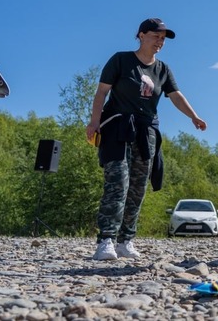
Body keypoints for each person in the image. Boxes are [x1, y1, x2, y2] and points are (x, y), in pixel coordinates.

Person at [86, 18, 207, 260]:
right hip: (118, 127)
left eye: (163, 38)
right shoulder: (120, 60)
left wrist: (194, 116)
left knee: (138, 187)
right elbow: (102, 92)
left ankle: (125, 241)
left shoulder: (162, 69)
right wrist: (94, 122)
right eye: (155, 36)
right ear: (141, 35)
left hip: (146, 132)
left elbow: (175, 95)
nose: (160, 41)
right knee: (118, 182)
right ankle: (106, 241)